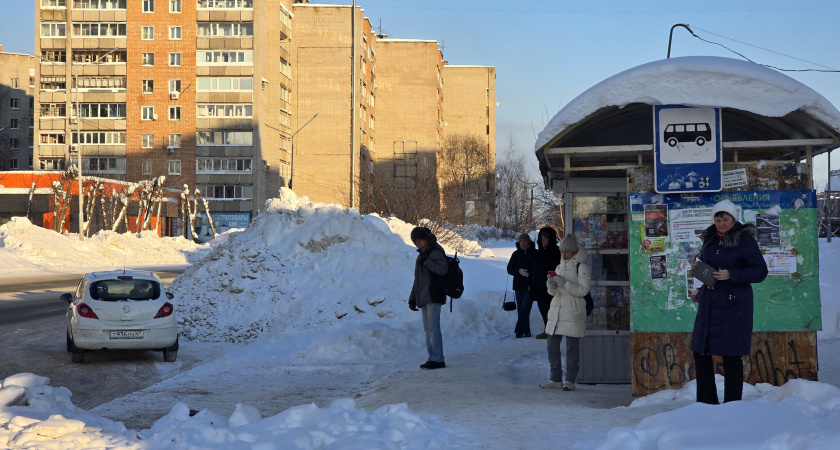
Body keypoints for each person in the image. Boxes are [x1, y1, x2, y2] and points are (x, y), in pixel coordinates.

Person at [690, 200, 768, 404]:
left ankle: (733, 405)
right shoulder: (711, 240)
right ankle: (706, 403)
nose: (721, 223)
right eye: (718, 219)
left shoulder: (745, 240)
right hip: (709, 305)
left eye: (725, 219)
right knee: (700, 352)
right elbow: (713, 274)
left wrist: (731, 274)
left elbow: (760, 272)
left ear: (734, 219)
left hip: (734, 306)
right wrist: (698, 269)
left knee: (731, 357)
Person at [539, 234, 590, 391]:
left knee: (571, 348)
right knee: (552, 346)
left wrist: (565, 283)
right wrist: (551, 286)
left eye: (567, 251)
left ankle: (570, 380)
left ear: (574, 251)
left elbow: (583, 290)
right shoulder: (559, 267)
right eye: (562, 251)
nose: (563, 254)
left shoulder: (581, 267)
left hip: (573, 311)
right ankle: (555, 378)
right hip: (557, 311)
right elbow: (555, 293)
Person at [408, 226, 450, 370]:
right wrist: (412, 298)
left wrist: (426, 261)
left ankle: (438, 358)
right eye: (415, 240)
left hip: (434, 295)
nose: (417, 242)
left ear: (426, 239)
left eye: (419, 239)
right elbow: (417, 280)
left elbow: (443, 270)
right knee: (428, 329)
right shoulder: (422, 254)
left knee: (433, 328)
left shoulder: (435, 251)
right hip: (424, 296)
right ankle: (432, 357)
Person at [530, 227, 561, 339]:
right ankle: (547, 329)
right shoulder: (538, 253)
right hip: (539, 286)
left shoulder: (556, 252)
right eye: (542, 238)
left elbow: (558, 269)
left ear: (550, 239)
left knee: (552, 309)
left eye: (546, 238)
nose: (543, 240)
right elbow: (535, 270)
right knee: (543, 309)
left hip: (552, 286)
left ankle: (553, 331)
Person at [507, 233, 537, 338]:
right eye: (521, 241)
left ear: (529, 241)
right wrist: (518, 271)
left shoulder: (535, 253)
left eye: (524, 241)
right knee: (521, 308)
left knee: (525, 307)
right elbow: (509, 268)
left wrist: (531, 274)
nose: (523, 243)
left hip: (531, 285)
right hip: (518, 286)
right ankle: (527, 331)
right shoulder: (516, 254)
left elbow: (539, 269)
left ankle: (519, 331)